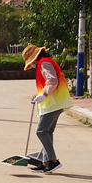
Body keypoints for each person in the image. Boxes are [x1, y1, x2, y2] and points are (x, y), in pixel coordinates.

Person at [22, 45, 73, 174]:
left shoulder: (44, 64)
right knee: (47, 132)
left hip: (53, 103)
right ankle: (45, 163)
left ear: (34, 58)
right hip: (56, 103)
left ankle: (53, 161)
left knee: (41, 131)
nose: (32, 65)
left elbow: (52, 80)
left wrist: (44, 94)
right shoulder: (46, 62)